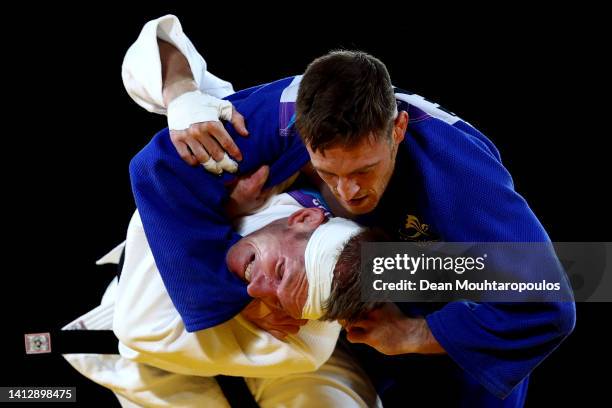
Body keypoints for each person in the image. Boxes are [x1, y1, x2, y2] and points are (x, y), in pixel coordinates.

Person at [122, 15, 576, 406]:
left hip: (430, 275)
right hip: (339, 289)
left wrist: (416, 335)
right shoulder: (282, 115)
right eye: (329, 171)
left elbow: (552, 296)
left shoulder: (457, 175)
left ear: (397, 128)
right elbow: (160, 166)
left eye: (365, 169)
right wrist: (236, 294)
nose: (350, 190)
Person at [63, 190, 381, 407]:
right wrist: (180, 90)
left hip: (165, 341)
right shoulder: (288, 152)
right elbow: (175, 142)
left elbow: (138, 331)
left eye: (282, 304)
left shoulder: (303, 341)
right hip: (130, 328)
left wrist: (421, 334)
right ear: (303, 218)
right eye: (281, 270)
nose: (256, 290)